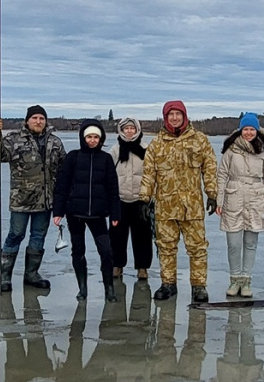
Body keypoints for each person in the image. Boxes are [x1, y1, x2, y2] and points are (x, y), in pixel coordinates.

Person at [138, 99, 219, 303]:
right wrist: (144, 199)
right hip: (165, 207)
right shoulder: (156, 144)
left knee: (197, 247)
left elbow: (210, 167)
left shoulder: (199, 140)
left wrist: (212, 193)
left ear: (184, 116)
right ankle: (168, 284)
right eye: (171, 115)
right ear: (165, 118)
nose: (175, 118)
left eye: (178, 114)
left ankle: (199, 286)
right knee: (166, 247)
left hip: (192, 206)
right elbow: (149, 173)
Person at [0, 104, 66, 292]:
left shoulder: (55, 142)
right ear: (27, 121)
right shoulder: (14, 139)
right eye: (35, 118)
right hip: (21, 200)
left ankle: (31, 274)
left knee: (38, 236)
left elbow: (64, 168)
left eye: (41, 118)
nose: (38, 121)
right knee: (15, 235)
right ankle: (5, 276)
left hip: (45, 200)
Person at [51, 120, 123, 302]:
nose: (92, 140)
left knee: (106, 251)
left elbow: (113, 188)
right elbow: (62, 186)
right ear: (83, 138)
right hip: (75, 213)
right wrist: (58, 211)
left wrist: (115, 213)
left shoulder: (106, 159)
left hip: (98, 214)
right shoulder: (73, 157)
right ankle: (82, 288)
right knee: (78, 251)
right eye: (89, 137)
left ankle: (109, 289)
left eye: (96, 137)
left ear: (101, 139)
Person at [216, 112, 264, 299]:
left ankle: (246, 280)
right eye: (246, 129)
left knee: (250, 243)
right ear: (240, 130)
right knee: (233, 244)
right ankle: (234, 280)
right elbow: (221, 175)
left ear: (257, 131)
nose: (249, 132)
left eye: (252, 129)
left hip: (256, 199)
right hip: (233, 197)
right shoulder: (231, 150)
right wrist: (219, 200)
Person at [111, 117, 153, 280]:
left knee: (142, 236)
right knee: (117, 236)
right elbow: (108, 174)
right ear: (121, 130)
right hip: (120, 200)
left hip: (140, 200)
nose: (129, 131)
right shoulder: (115, 150)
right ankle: (117, 265)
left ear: (137, 130)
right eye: (126, 128)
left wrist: (149, 197)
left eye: (132, 128)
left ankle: (142, 267)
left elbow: (152, 174)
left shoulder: (146, 149)